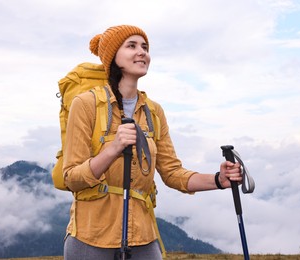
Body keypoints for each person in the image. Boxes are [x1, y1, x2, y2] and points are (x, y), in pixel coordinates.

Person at [62, 25, 243, 260]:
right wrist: (113, 149)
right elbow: (71, 178)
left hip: (143, 238)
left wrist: (219, 180)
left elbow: (172, 173)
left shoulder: (154, 112)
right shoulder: (85, 104)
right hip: (91, 238)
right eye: (132, 46)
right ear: (112, 57)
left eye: (145, 47)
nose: (142, 52)